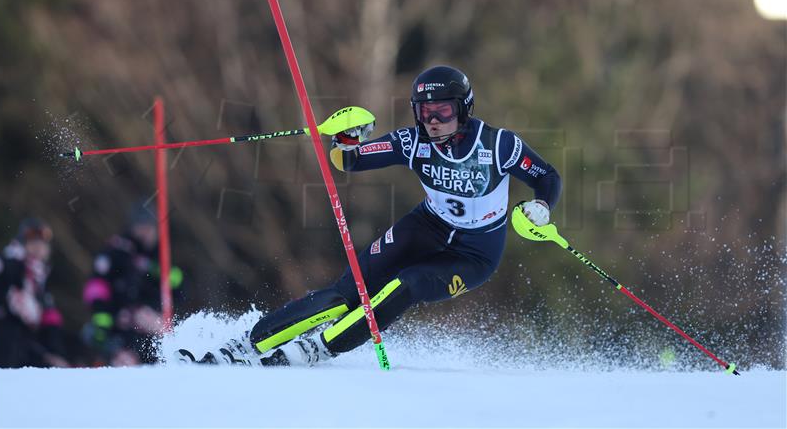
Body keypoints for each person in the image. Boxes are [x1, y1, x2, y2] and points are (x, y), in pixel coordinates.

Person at [177, 65, 561, 366]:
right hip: (425, 228)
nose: (433, 120)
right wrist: (345, 140)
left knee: (407, 284)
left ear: (464, 109)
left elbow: (547, 177)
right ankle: (248, 343)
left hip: (475, 254)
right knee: (348, 292)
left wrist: (541, 207)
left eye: (443, 110)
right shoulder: (413, 143)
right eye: (425, 112)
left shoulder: (498, 145)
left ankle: (320, 349)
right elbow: (350, 161)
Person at [82, 205, 184, 366]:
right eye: (142, 227)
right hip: (120, 324)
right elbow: (96, 287)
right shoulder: (118, 252)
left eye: (150, 227)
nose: (146, 232)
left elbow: (179, 287)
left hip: (152, 323)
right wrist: (103, 319)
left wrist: (156, 270)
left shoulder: (161, 254)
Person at [0, 218, 69, 368]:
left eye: (42, 244)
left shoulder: (40, 277)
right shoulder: (4, 264)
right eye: (33, 243)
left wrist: (56, 352)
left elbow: (49, 317)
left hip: (25, 343)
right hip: (1, 339)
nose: (38, 248)